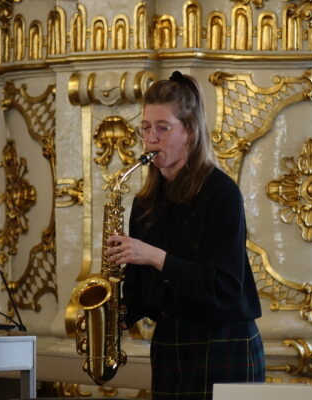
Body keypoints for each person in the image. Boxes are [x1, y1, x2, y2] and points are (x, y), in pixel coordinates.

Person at [105, 71, 265, 399]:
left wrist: (155, 256)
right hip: (170, 344)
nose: (151, 138)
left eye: (163, 128)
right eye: (146, 128)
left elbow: (225, 288)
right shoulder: (145, 202)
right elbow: (142, 286)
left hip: (223, 343)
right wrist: (116, 314)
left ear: (190, 133)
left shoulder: (221, 193)